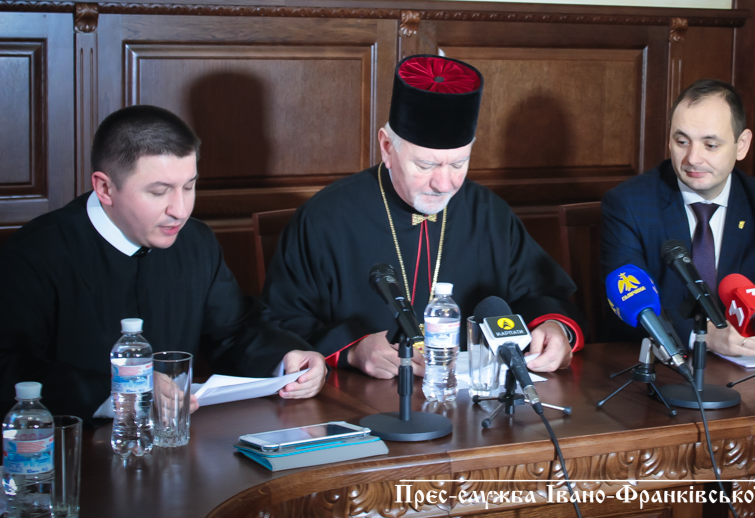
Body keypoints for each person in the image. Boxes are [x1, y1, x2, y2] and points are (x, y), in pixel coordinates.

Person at [263, 55, 584, 378]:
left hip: (474, 396)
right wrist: (352, 349)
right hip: (359, 396)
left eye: (458, 164)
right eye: (426, 165)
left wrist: (554, 328)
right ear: (387, 147)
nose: (444, 184)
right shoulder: (326, 218)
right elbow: (282, 319)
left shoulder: (489, 214)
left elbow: (540, 293)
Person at [0, 106, 327, 421]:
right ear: (105, 188)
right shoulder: (36, 253)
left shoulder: (196, 241)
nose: (180, 210)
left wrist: (287, 358)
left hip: (177, 437)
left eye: (189, 186)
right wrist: (121, 391)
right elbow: (9, 367)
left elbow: (236, 330)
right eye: (159, 192)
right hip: (74, 443)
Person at [601, 79, 755, 356]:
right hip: (663, 366)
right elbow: (626, 304)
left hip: (750, 370)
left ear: (741, 145)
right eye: (681, 141)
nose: (692, 158)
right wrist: (702, 337)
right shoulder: (630, 203)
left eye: (710, 145)